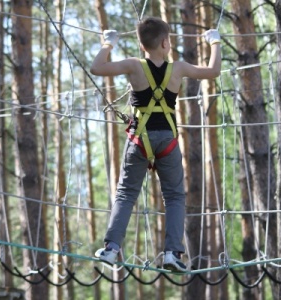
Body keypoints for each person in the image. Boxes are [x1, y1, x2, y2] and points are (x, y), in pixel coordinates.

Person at [90, 16, 221, 272]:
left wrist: (108, 44)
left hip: (139, 139)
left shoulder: (134, 66)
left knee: (126, 193)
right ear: (165, 42)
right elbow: (213, 71)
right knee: (174, 196)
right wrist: (214, 42)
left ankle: (111, 249)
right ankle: (173, 253)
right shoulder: (179, 68)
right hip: (167, 141)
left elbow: (97, 68)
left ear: (142, 46)